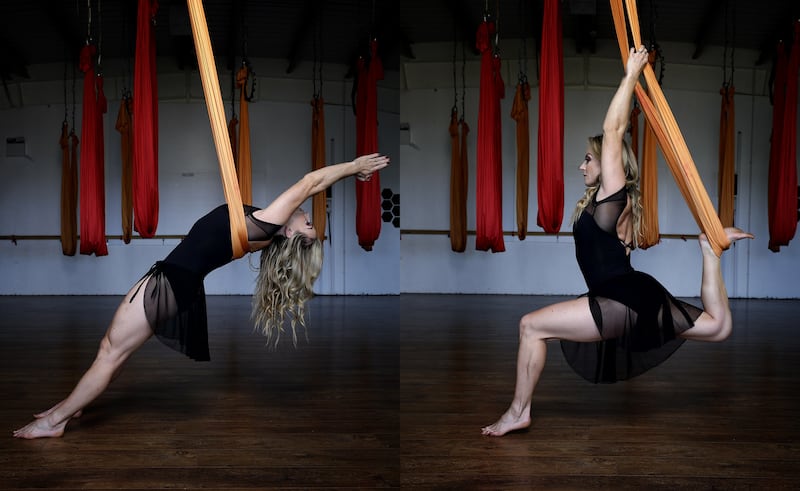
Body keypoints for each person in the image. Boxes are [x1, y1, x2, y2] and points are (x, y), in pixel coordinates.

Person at [13, 152, 390, 439]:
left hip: (171, 282)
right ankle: (71, 406)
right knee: (114, 351)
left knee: (110, 352)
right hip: (175, 282)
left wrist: (353, 167)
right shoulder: (262, 225)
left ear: (290, 233)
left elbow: (310, 182)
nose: (306, 216)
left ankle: (54, 421)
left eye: (307, 225)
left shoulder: (269, 224)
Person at [481, 46, 753, 437]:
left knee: (530, 326)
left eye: (587, 159)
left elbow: (613, 131)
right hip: (634, 294)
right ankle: (709, 252)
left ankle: (517, 413)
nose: (582, 166)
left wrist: (630, 75)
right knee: (718, 327)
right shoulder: (608, 205)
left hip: (621, 299)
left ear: (610, 164)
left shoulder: (613, 196)